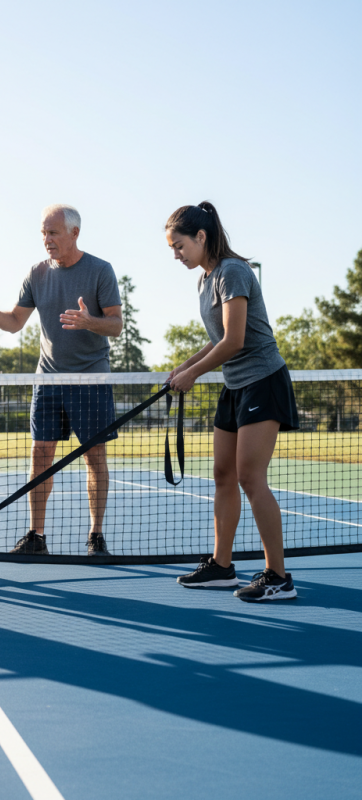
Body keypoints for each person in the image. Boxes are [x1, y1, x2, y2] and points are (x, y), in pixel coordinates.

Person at [165, 201, 299, 602]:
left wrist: (194, 374)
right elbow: (218, 336)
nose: (175, 254)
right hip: (235, 386)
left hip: (263, 381)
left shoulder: (233, 272)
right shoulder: (205, 279)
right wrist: (184, 366)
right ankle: (221, 567)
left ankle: (278, 576)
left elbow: (235, 340)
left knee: (250, 478)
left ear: (201, 237)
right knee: (222, 474)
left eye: (179, 245)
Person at [0, 204, 123, 556]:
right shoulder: (36, 274)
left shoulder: (101, 271)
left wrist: (90, 322)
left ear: (74, 233)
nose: (46, 240)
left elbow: (116, 325)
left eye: (53, 232)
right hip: (49, 381)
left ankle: (96, 535)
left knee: (94, 458)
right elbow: (15, 322)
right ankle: (36, 536)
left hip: (91, 381)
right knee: (40, 455)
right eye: (43, 232)